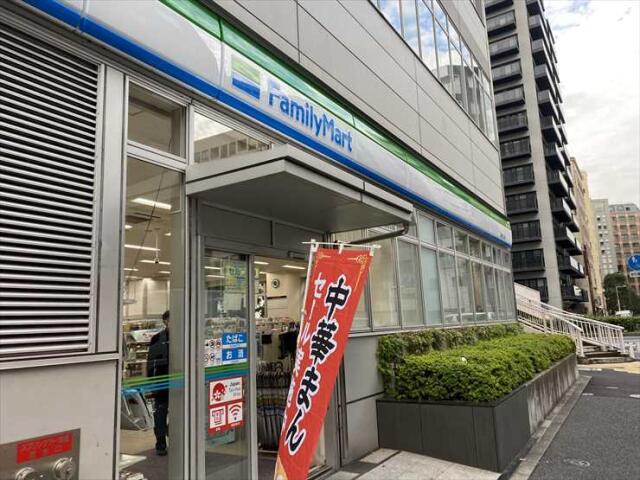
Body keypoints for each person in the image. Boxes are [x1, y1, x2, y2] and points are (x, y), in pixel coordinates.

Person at [147, 310, 170, 456]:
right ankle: (160, 442)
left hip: (181, 381)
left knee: (181, 411)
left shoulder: (186, 337)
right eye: (170, 320)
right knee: (160, 413)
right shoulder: (157, 338)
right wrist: (151, 382)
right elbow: (150, 362)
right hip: (162, 382)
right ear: (165, 321)